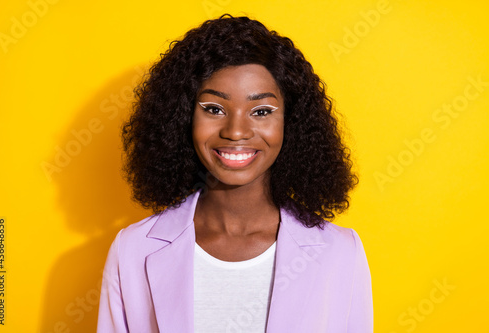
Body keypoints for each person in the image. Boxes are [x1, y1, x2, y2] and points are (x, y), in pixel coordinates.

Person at [97, 14, 373, 333]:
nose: (236, 131)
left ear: (290, 122)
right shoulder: (133, 249)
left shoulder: (340, 251)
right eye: (214, 109)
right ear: (183, 116)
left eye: (261, 111)